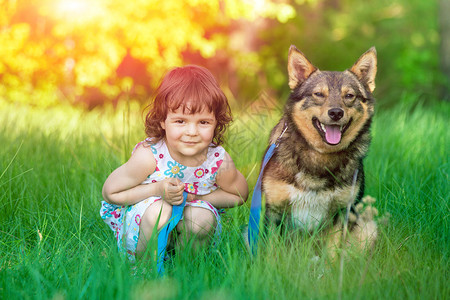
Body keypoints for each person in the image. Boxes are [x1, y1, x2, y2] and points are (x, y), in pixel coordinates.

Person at [100, 65, 248, 262]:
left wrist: (199, 196)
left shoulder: (217, 160)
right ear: (162, 120)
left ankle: (185, 267)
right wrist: (157, 190)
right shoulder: (149, 156)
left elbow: (239, 194)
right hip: (145, 224)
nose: (192, 131)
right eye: (180, 121)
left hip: (188, 222)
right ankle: (145, 270)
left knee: (202, 220)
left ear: (216, 123)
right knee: (159, 212)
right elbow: (111, 192)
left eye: (203, 122)